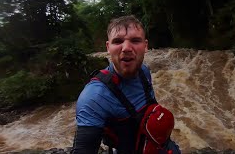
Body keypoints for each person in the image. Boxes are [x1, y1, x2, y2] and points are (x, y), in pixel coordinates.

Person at [72, 15, 181, 154]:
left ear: (146, 46)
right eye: (118, 41)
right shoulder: (93, 97)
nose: (127, 48)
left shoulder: (144, 71)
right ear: (108, 47)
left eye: (135, 40)